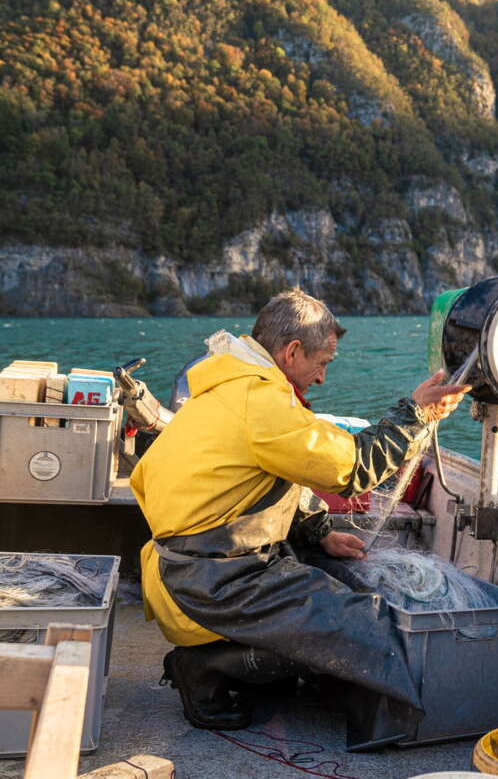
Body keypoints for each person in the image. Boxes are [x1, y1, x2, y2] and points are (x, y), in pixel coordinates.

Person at [130, 287, 470, 751]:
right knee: (359, 625)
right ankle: (202, 667)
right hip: (214, 579)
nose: (324, 377)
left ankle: (235, 664)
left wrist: (319, 530)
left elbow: (270, 480)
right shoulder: (263, 403)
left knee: (325, 583)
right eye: (323, 361)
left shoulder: (227, 385)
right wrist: (417, 414)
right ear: (291, 352)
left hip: (186, 567)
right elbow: (354, 467)